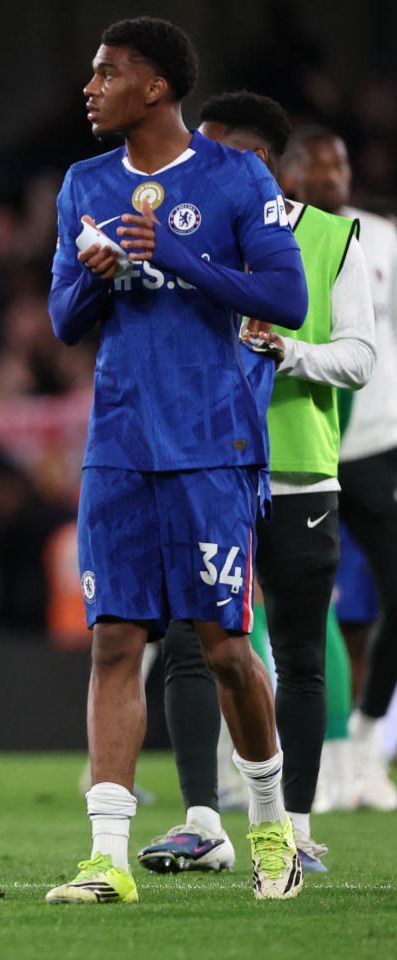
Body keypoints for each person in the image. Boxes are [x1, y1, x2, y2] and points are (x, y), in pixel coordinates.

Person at [45, 18, 310, 904]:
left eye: (106, 73)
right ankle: (108, 857)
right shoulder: (83, 184)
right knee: (115, 641)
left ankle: (271, 830)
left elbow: (287, 296)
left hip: (211, 442)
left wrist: (183, 259)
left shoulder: (237, 176)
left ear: (155, 87)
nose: (90, 88)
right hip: (118, 444)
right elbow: (63, 321)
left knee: (226, 647)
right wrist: (95, 270)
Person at [135, 92, 374, 878]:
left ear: (258, 162)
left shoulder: (333, 239)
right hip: (205, 465)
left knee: (300, 653)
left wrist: (287, 354)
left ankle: (296, 825)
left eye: (212, 152)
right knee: (187, 643)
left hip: (300, 469)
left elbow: (358, 358)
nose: (194, 166)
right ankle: (204, 821)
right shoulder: (191, 237)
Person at [280, 126, 397, 812]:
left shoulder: (381, 238)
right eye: (318, 165)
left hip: (376, 444)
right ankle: (289, 767)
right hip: (303, 445)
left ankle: (363, 744)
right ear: (291, 173)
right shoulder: (273, 238)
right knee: (294, 612)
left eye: (341, 162)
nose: (333, 175)